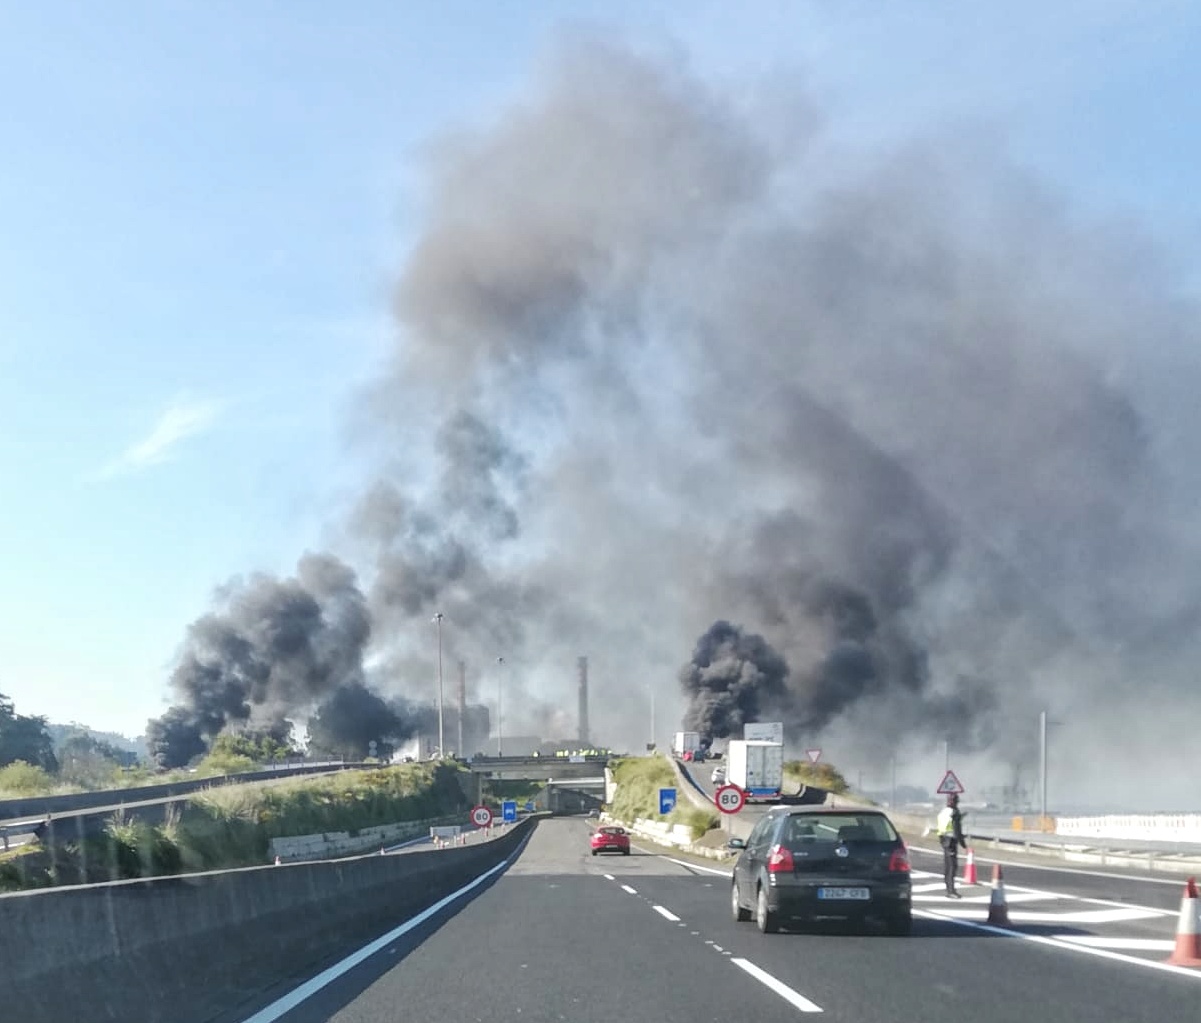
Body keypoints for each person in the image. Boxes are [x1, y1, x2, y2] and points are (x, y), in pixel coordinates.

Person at [936, 794, 968, 897]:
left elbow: (944, 827)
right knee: (952, 867)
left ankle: (948, 888)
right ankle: (951, 891)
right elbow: (956, 830)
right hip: (951, 841)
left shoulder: (944, 811)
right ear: (955, 801)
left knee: (948, 865)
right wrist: (963, 844)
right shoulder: (954, 812)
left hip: (943, 840)